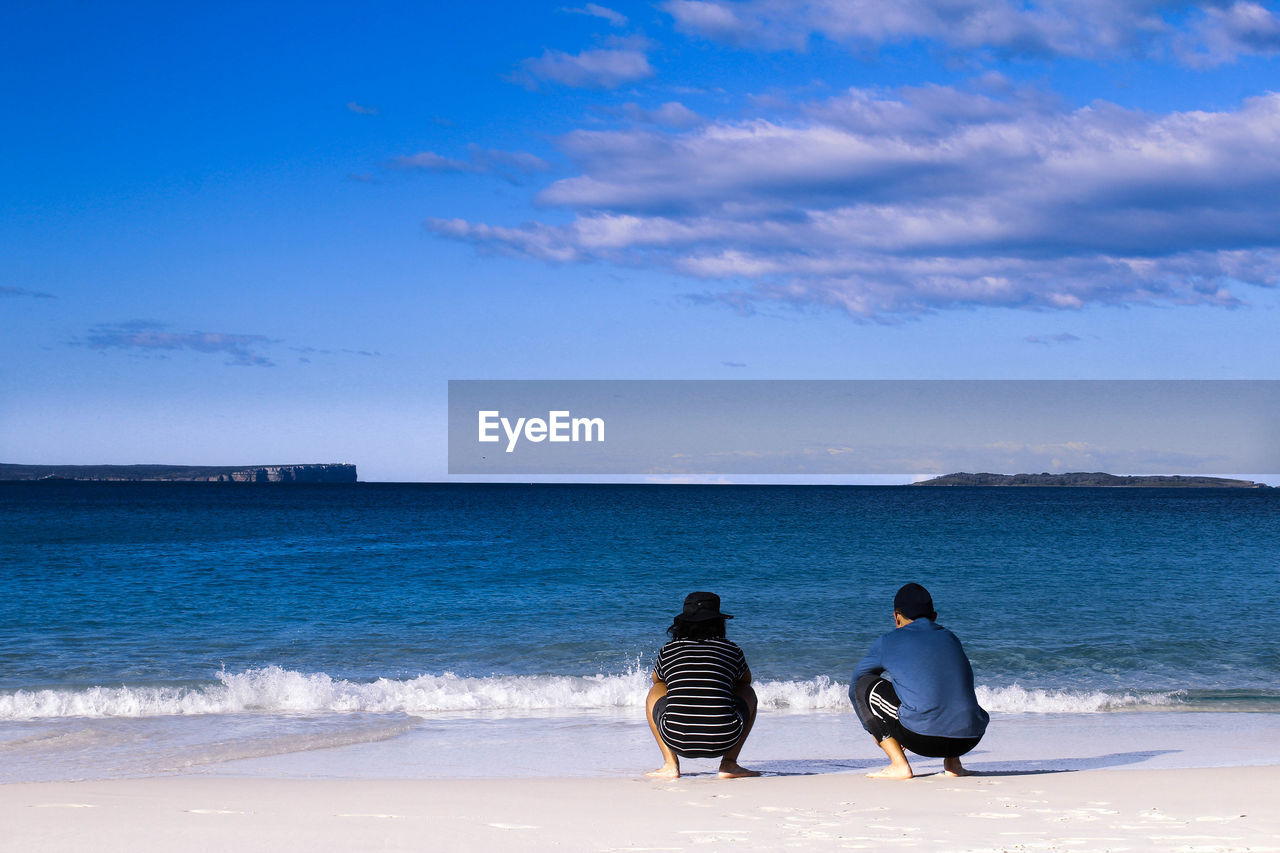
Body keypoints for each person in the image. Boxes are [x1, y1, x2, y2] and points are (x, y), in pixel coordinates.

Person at [850, 582, 989, 779]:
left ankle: (899, 765)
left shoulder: (888, 641)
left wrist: (875, 730)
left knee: (864, 684)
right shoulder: (950, 637)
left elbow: (856, 685)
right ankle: (953, 764)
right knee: (946, 689)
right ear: (934, 617)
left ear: (896, 617)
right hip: (970, 738)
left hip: (922, 739)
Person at [645, 591, 760, 779]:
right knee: (748, 692)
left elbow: (656, 679)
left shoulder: (669, 650)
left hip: (676, 737)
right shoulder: (731, 649)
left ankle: (670, 764)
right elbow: (746, 681)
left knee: (655, 691)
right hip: (725, 737)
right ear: (718, 622)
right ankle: (729, 763)